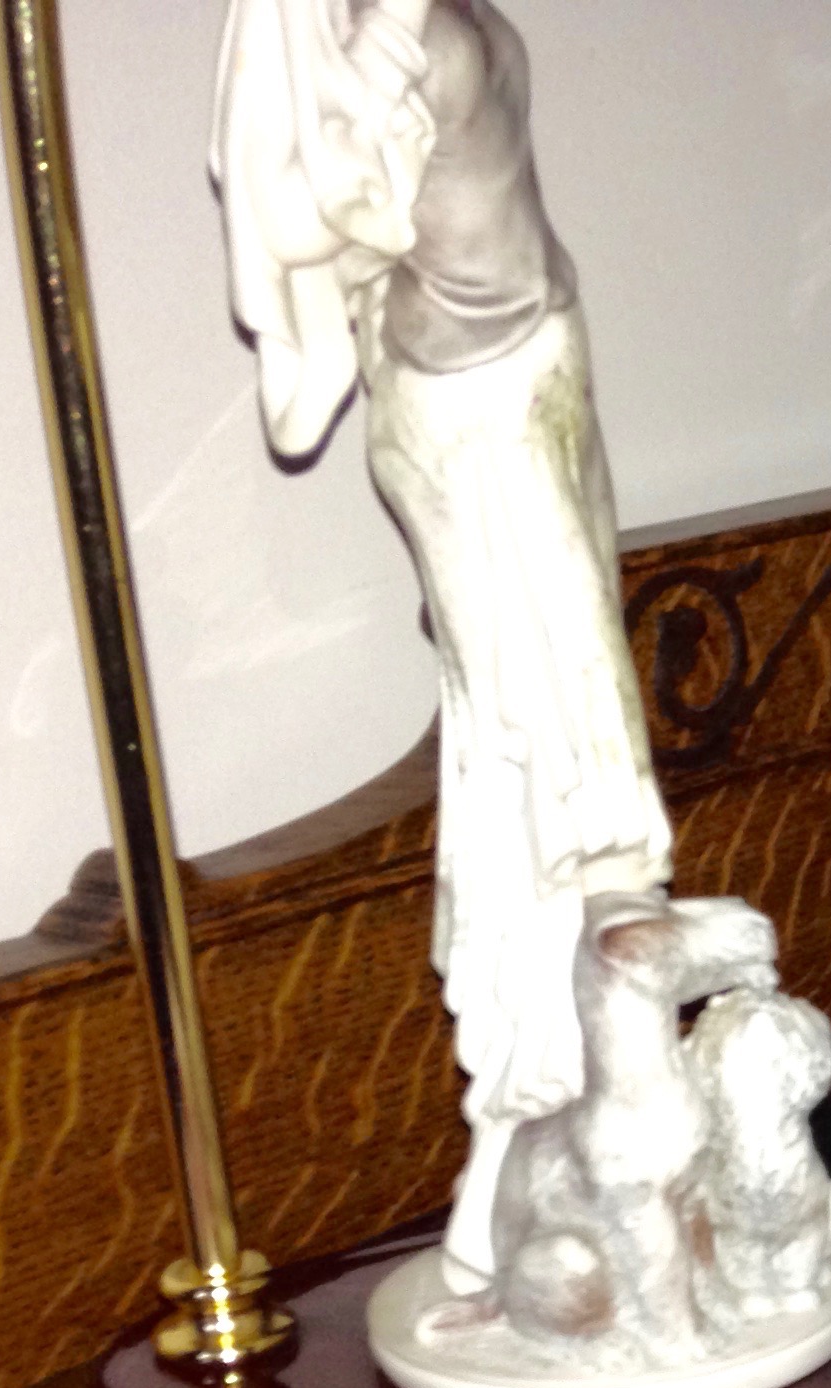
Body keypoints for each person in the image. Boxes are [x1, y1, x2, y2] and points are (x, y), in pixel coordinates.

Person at [213, 0, 672, 1288]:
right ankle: (546, 1091)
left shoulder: (435, 27)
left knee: (576, 733)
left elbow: (363, 200)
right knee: (550, 750)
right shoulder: (413, 37)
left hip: (529, 368)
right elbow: (312, 215)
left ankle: (592, 1088)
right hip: (475, 410)